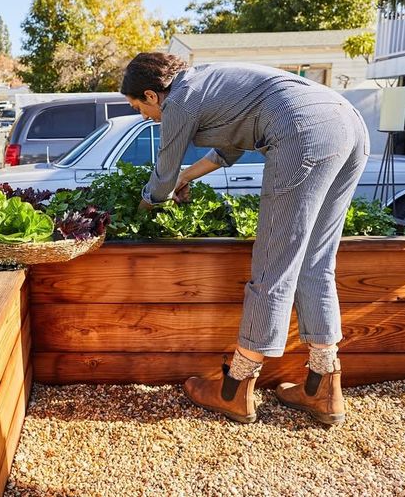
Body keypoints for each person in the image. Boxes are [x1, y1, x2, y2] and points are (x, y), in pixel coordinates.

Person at [120, 53, 370, 425]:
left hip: (301, 130)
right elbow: (227, 150)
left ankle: (235, 388)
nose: (142, 114)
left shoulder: (179, 102)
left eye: (137, 105)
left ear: (152, 95)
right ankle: (324, 387)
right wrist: (187, 179)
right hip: (347, 122)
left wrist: (142, 207)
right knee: (315, 263)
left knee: (274, 265)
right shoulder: (210, 85)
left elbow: (163, 173)